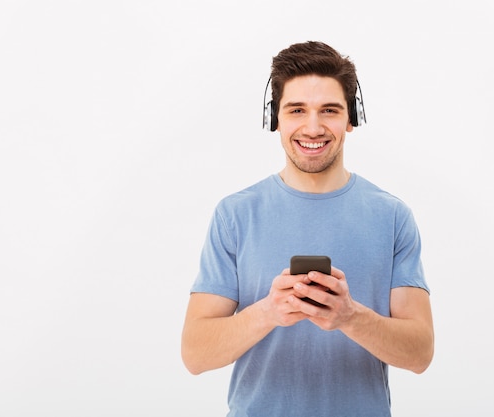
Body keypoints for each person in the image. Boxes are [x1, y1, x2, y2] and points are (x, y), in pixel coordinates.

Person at [181, 40, 434, 417]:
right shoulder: (235, 215)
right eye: (296, 110)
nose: (312, 127)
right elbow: (195, 354)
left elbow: (420, 353)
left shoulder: (392, 216)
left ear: (352, 118)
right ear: (275, 119)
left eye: (329, 110)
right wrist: (268, 311)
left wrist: (349, 317)